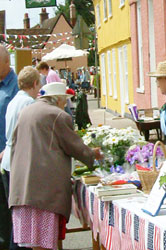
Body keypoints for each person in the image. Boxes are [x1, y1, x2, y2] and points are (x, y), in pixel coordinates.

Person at [9, 82, 102, 250]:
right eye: (64, 100)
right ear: (58, 99)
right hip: (43, 192)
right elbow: (74, 146)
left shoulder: (26, 111)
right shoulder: (58, 115)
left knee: (33, 243)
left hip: (22, 187)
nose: (65, 104)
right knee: (44, 243)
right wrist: (92, 155)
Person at [1, 66, 40, 250]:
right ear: (34, 83)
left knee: (16, 216)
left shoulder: (14, 101)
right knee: (22, 217)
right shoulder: (29, 104)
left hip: (9, 159)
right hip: (19, 161)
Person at [0, 44, 19, 250]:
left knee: (9, 208)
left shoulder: (16, 86)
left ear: (7, 62)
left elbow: (21, 120)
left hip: (8, 158)